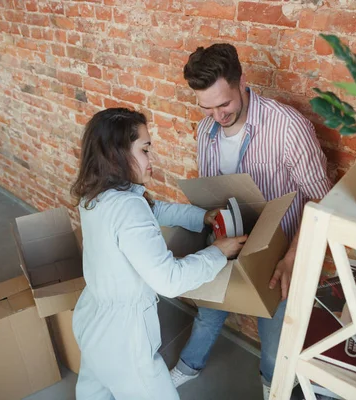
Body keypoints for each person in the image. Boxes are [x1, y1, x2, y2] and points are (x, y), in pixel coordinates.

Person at [169, 44, 332, 400]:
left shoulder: (288, 127)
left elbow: (322, 199)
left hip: (278, 253)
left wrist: (292, 256)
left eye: (223, 104)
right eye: (206, 107)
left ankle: (273, 387)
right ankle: (187, 366)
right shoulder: (205, 131)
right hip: (224, 244)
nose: (217, 116)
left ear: (242, 82)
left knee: (273, 336)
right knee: (209, 312)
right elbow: (212, 191)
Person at [70, 108, 248, 400]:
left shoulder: (97, 193)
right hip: (124, 339)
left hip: (92, 317)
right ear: (117, 153)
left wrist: (203, 216)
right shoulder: (128, 208)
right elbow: (169, 280)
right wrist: (217, 252)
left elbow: (155, 210)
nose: (151, 160)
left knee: (94, 391)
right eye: (145, 150)